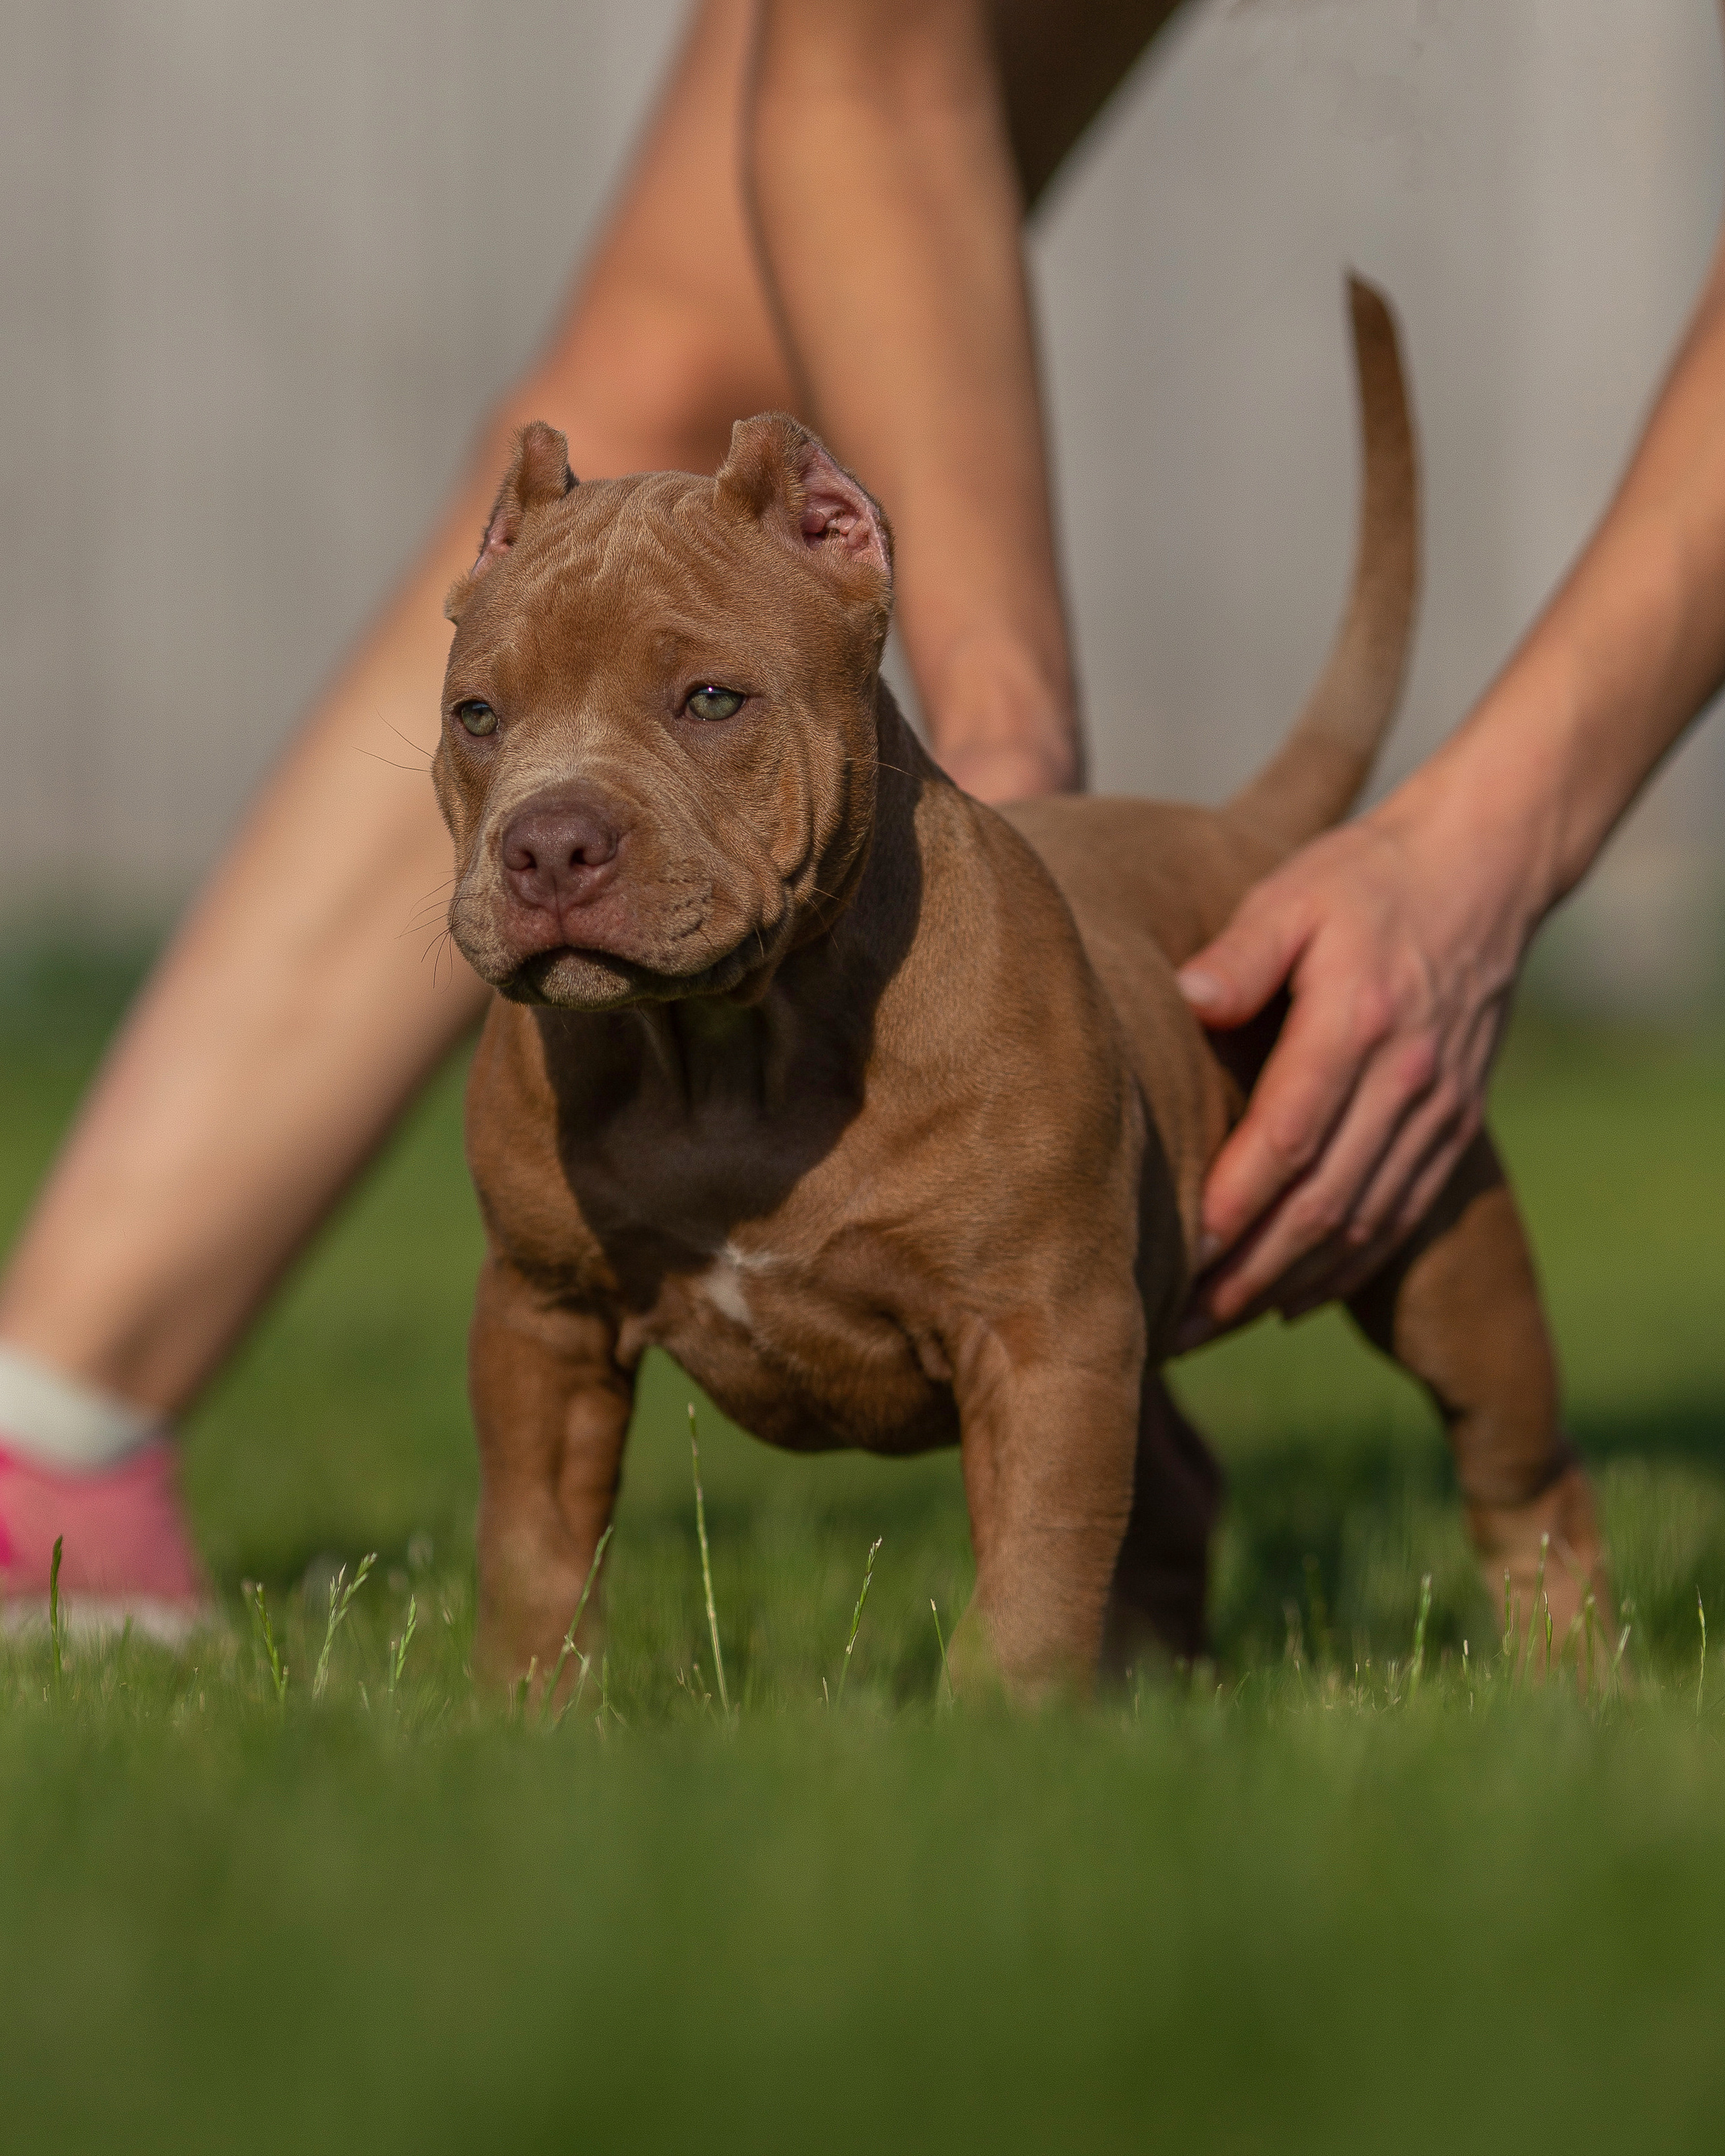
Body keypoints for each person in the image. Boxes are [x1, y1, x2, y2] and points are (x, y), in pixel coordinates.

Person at [1, 0, 1722, 1613]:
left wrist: (1485, 846)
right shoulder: (539, 1084)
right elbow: (861, 66)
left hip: (1078, 973)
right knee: (674, 327)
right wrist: (1007, 732)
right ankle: (51, 1424)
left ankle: (1517, 1534)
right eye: (483, 726)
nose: (547, 817)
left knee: (1359, 1287)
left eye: (706, 707)